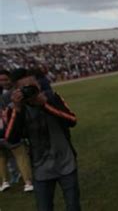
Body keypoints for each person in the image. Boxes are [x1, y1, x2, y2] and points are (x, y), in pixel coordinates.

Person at [4, 68, 81, 211]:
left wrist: (45, 105)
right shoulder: (14, 108)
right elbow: (11, 138)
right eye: (25, 88)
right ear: (17, 91)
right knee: (44, 207)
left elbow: (72, 121)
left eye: (34, 85)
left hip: (66, 163)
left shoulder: (52, 97)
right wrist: (17, 109)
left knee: (73, 206)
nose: (31, 90)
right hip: (41, 168)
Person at [0, 69, 34, 193]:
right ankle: (24, 180)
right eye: (1, 80)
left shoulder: (9, 93)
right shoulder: (6, 94)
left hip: (11, 127)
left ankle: (11, 180)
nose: (3, 82)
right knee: (17, 155)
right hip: (7, 128)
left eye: (5, 79)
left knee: (11, 155)